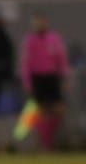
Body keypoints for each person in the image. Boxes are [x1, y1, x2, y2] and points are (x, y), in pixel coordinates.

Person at [17, 14, 68, 150]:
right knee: (36, 111)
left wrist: (65, 78)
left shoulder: (54, 38)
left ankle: (46, 139)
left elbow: (61, 59)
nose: (40, 25)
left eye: (42, 23)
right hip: (37, 79)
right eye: (37, 23)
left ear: (47, 23)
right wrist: (27, 83)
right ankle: (31, 140)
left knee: (59, 110)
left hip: (51, 77)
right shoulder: (30, 40)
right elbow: (25, 64)